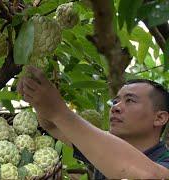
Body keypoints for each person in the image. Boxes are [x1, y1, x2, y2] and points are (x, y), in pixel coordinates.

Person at [17, 65, 169, 179]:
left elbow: (149, 174)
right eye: (115, 101)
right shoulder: (102, 148)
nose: (115, 107)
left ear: (159, 118)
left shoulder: (164, 162)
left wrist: (60, 111)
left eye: (130, 100)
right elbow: (52, 125)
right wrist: (38, 99)